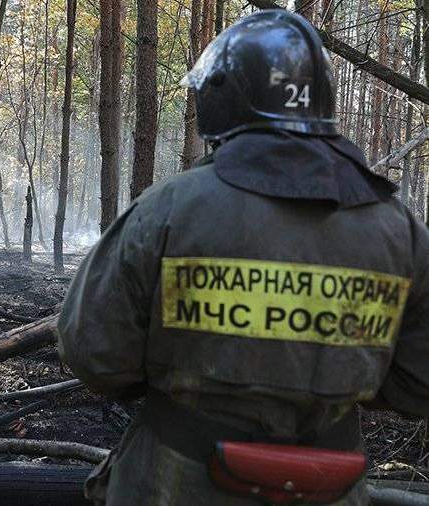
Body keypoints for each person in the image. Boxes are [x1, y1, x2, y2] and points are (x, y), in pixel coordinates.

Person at [57, 9, 429, 506]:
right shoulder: (400, 229)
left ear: (223, 96)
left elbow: (94, 354)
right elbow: (421, 381)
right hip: (330, 486)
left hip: (177, 480)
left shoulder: (169, 209)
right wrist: (327, 386)